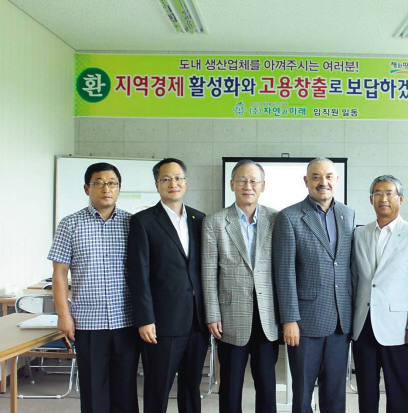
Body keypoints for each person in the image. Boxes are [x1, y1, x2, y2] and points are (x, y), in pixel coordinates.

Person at [48, 162, 139, 413]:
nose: (106, 188)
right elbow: (59, 274)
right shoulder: (70, 224)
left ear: (119, 189)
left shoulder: (133, 225)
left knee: (126, 388)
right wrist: (63, 315)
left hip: (126, 320)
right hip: (88, 322)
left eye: (112, 183)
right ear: (87, 188)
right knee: (92, 388)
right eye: (98, 183)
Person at [273, 157, 356, 413]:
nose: (323, 182)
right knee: (303, 393)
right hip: (305, 323)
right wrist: (289, 320)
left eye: (329, 176)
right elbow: (284, 272)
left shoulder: (348, 214)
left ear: (336, 180)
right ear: (306, 181)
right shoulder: (290, 217)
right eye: (317, 177)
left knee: (335, 392)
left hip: (341, 321)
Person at [127, 158, 208, 413]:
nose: (173, 183)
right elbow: (138, 274)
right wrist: (145, 319)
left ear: (186, 182)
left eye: (178, 178)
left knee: (191, 387)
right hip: (161, 323)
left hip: (196, 321)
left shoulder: (199, 219)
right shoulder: (143, 221)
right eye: (166, 179)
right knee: (157, 388)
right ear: (157, 185)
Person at [202, 159, 280, 413]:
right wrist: (212, 313)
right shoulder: (215, 222)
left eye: (254, 181)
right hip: (230, 317)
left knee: (266, 387)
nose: (248, 185)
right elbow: (208, 272)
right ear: (232, 184)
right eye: (242, 180)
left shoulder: (277, 220)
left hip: (267, 317)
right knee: (231, 388)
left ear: (263, 186)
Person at [351, 175, 408, 413]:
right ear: (370, 199)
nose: (383, 198)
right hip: (363, 325)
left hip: (399, 328)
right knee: (366, 390)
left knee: (398, 390)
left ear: (401, 199)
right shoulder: (359, 234)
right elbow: (355, 280)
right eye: (377, 193)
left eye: (389, 193)